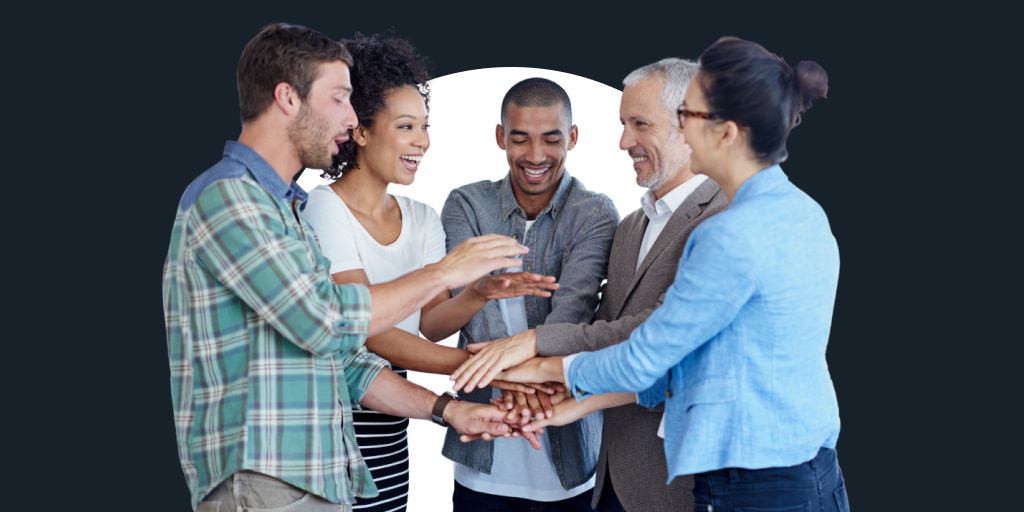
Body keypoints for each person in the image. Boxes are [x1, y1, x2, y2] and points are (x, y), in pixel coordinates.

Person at [459, 37, 850, 511]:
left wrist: (537, 362)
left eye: (688, 117)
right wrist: (575, 404)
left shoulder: (728, 232)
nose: (626, 140)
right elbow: (695, 360)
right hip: (801, 472)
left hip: (756, 486)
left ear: (725, 131)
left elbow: (648, 355)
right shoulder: (802, 211)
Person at [163, 23, 528, 511]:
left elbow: (344, 360)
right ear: (287, 98)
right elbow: (328, 321)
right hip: (267, 482)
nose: (352, 116)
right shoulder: (231, 198)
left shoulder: (281, 211)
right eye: (339, 98)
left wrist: (449, 410)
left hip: (316, 479)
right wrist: (444, 274)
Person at [452, 58, 727, 511]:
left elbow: (658, 334)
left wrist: (537, 353)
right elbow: (606, 327)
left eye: (639, 124)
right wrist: (567, 394)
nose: (623, 142)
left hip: (681, 484)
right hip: (612, 479)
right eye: (623, 124)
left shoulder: (723, 216)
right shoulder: (633, 224)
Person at [301, 33, 559, 512]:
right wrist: (486, 369)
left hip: (394, 416)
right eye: (406, 126)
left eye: (424, 126)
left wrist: (480, 291)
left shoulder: (421, 217)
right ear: (359, 130)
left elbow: (431, 325)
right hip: (337, 418)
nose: (423, 140)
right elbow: (363, 329)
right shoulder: (323, 209)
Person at [439, 77, 620, 511]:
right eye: (520, 139)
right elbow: (474, 312)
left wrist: (517, 373)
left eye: (551, 140)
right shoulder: (465, 204)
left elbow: (570, 317)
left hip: (571, 460)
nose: (536, 156)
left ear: (572, 138)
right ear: (501, 137)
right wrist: (527, 381)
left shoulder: (595, 212)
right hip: (482, 458)